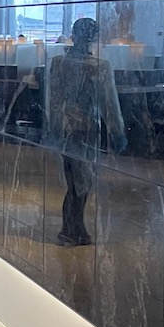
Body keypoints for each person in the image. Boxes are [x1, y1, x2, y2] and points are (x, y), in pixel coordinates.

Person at [43, 17, 125, 247]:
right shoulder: (98, 66)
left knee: (75, 180)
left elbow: (54, 99)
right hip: (86, 129)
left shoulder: (58, 63)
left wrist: (53, 128)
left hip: (63, 129)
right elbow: (109, 103)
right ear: (93, 37)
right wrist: (117, 132)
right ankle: (71, 228)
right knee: (82, 181)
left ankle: (73, 227)